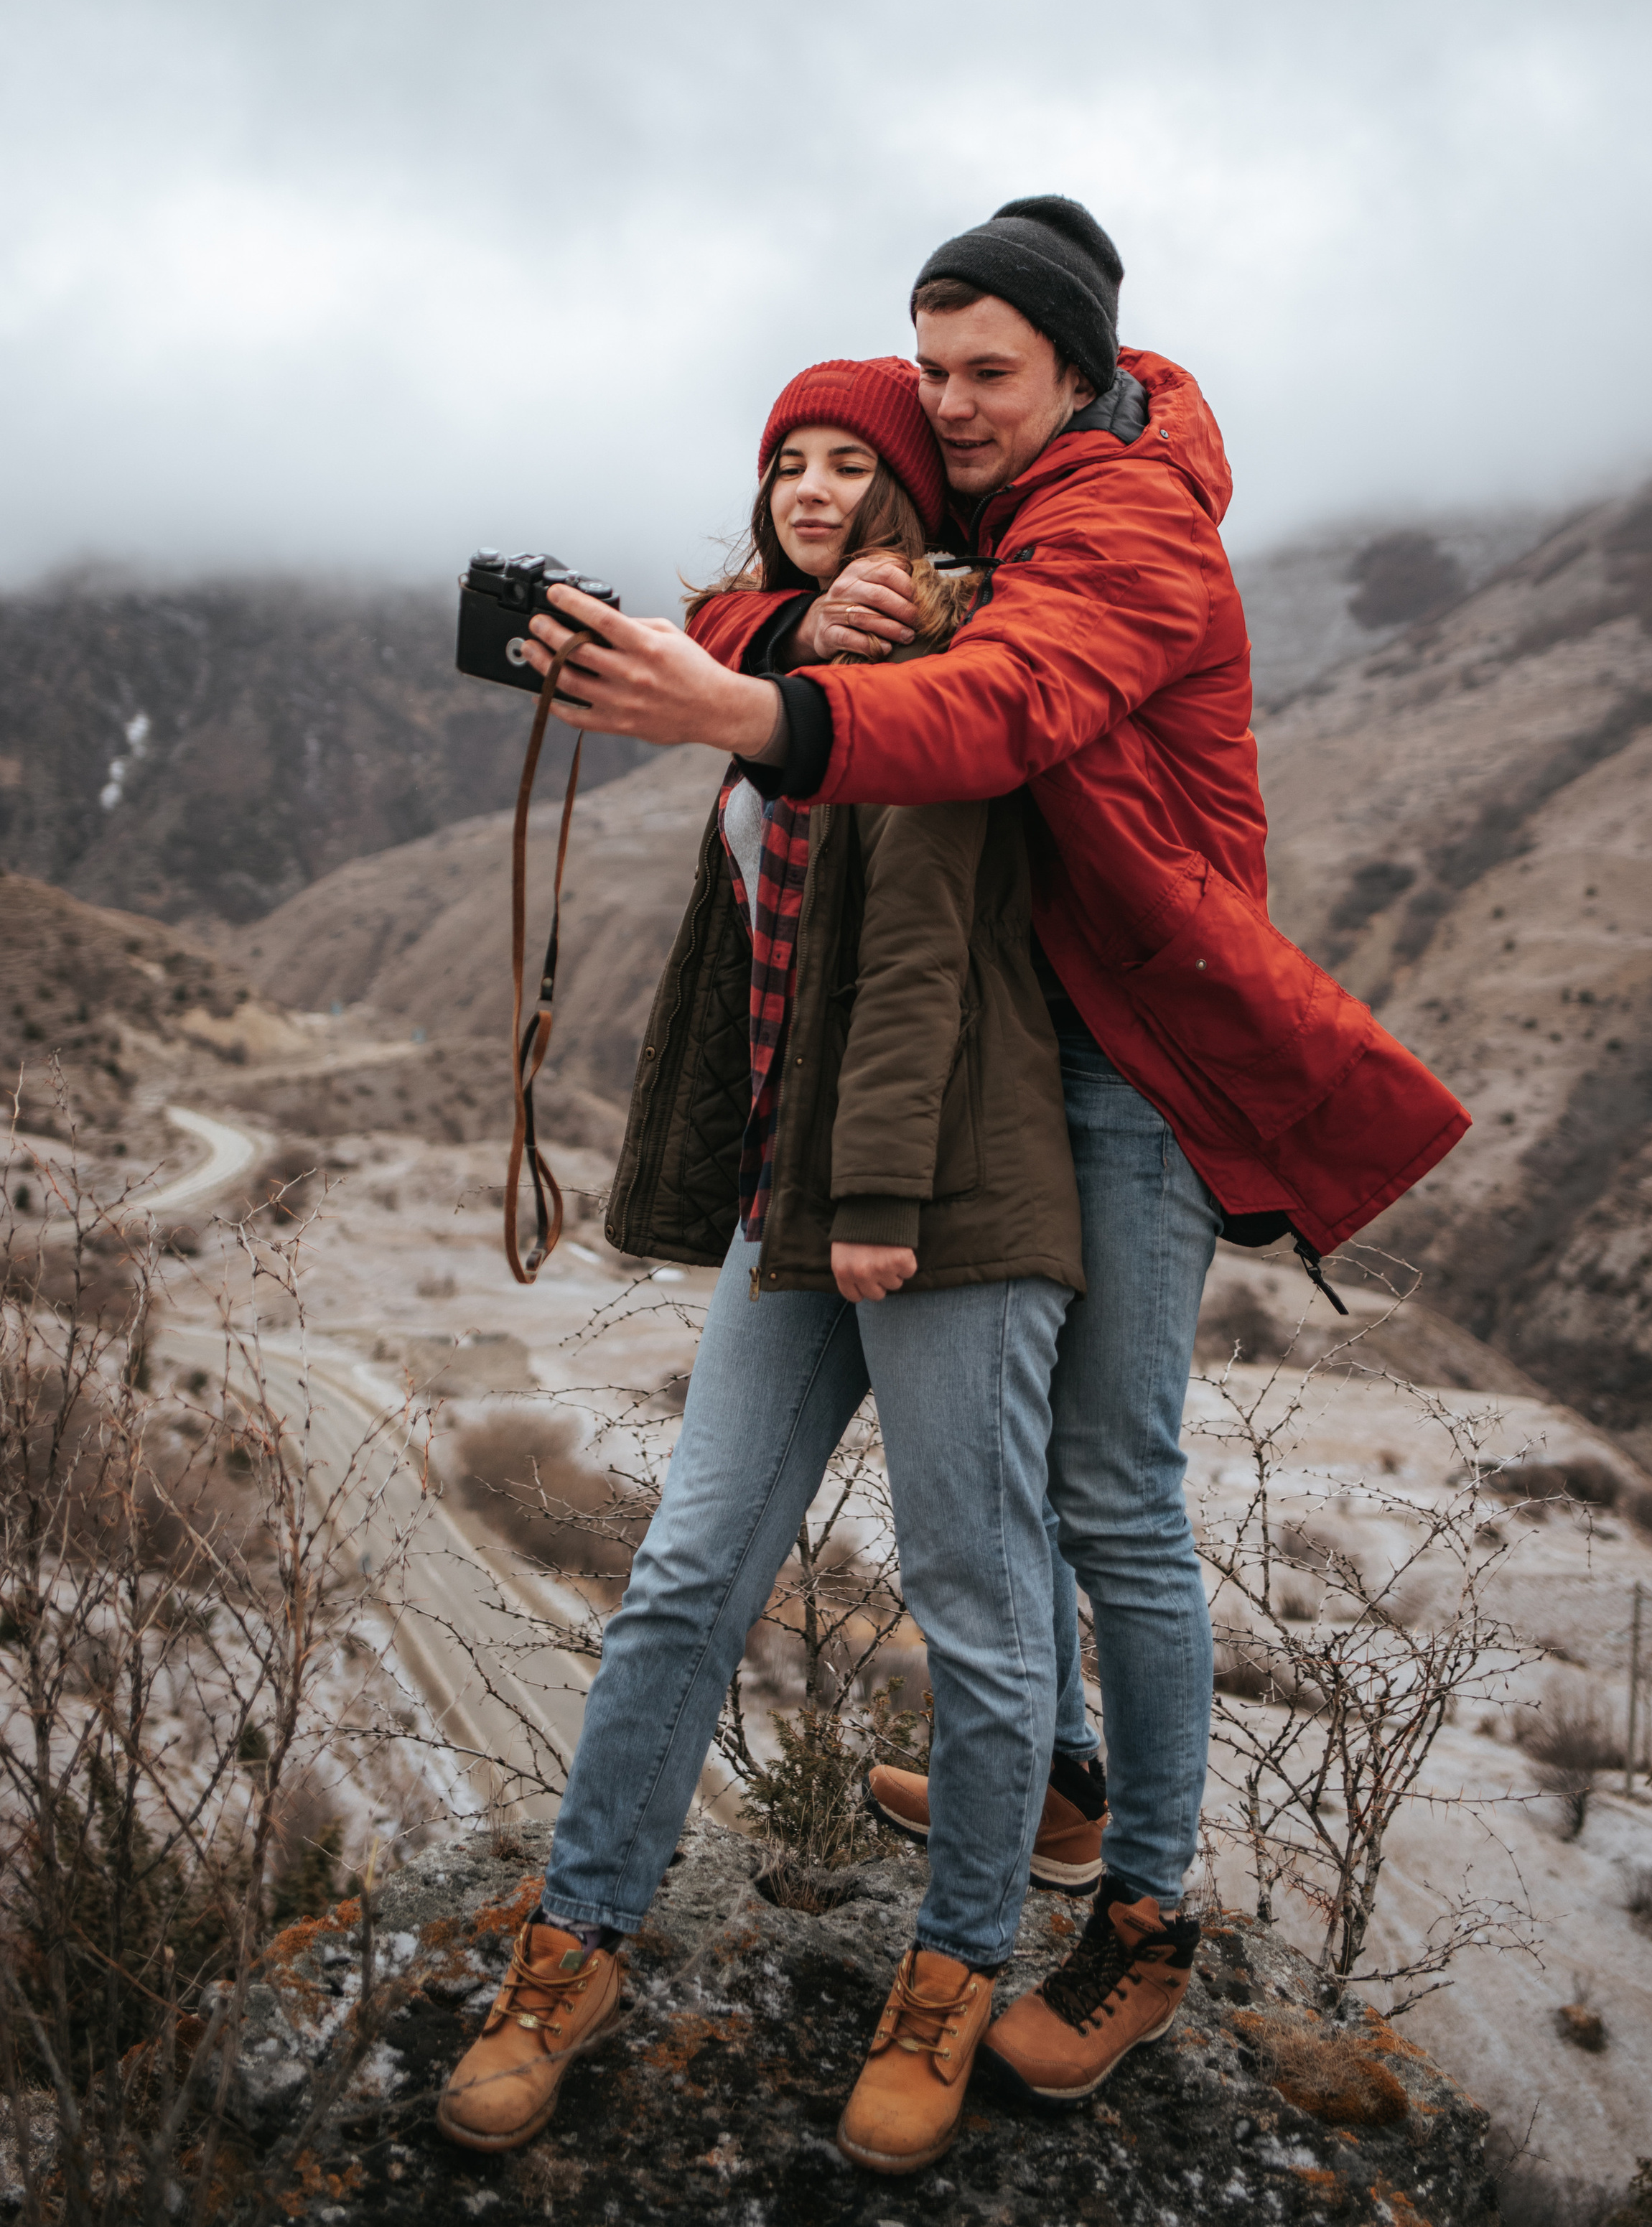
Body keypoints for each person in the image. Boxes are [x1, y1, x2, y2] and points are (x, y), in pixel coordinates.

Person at [519, 196, 1472, 2108]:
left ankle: (1143, 1919)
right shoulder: (1002, 503)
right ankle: (1041, 1779)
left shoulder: (1119, 514)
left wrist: (752, 704)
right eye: (930, 370)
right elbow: (805, 557)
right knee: (1013, 1503)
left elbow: (993, 707)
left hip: (1130, 1062)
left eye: (985, 376)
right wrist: (776, 626)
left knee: (1112, 1495)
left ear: (1081, 369)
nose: (948, 407)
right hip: (1013, 1053)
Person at [439, 357, 1099, 2181]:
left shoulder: (938, 676)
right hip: (792, 1209)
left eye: (846, 463)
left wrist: (874, 1194)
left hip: (946, 1200)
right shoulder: (786, 671)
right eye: (784, 464)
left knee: (974, 1604)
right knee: (682, 1576)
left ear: (904, 492)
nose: (810, 485)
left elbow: (922, 953)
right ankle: (570, 1948)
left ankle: (953, 1975)